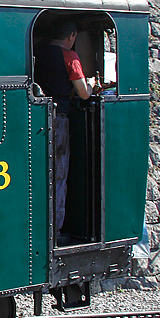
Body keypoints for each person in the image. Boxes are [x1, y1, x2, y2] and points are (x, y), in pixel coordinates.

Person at [33, 21, 100, 245]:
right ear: (71, 36)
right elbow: (83, 93)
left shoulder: (39, 52)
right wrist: (91, 84)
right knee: (59, 174)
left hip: (37, 118)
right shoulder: (70, 57)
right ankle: (56, 230)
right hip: (58, 118)